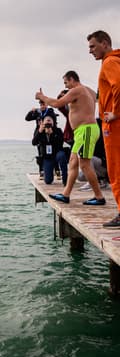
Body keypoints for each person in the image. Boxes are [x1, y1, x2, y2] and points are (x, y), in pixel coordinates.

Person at [36, 70, 105, 206]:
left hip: (86, 130)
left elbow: (56, 104)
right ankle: (66, 195)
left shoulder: (77, 90)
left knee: (84, 164)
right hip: (83, 131)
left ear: (72, 79)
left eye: (66, 82)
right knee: (73, 162)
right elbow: (97, 99)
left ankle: (99, 197)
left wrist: (42, 97)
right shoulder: (87, 90)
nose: (66, 86)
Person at [88, 30, 120, 227]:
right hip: (114, 124)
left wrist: (116, 113)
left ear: (105, 43)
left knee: (116, 171)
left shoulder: (110, 62)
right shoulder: (113, 61)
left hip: (114, 126)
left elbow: (119, 86)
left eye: (93, 46)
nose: (90, 51)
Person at [31, 115, 68, 185]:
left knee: (62, 155)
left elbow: (60, 144)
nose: (48, 122)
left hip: (57, 154)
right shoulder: (40, 131)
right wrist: (39, 132)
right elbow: (34, 143)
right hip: (47, 157)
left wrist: (52, 135)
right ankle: (49, 173)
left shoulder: (58, 131)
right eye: (46, 121)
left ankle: (65, 180)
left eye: (50, 120)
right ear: (43, 123)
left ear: (53, 123)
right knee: (48, 181)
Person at [26, 100, 58, 175]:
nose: (42, 106)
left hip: (50, 134)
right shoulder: (38, 113)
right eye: (40, 105)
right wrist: (31, 111)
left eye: (43, 104)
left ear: (47, 104)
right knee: (40, 152)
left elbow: (54, 122)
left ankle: (57, 169)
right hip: (40, 134)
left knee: (54, 150)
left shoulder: (50, 112)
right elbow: (27, 118)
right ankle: (41, 170)